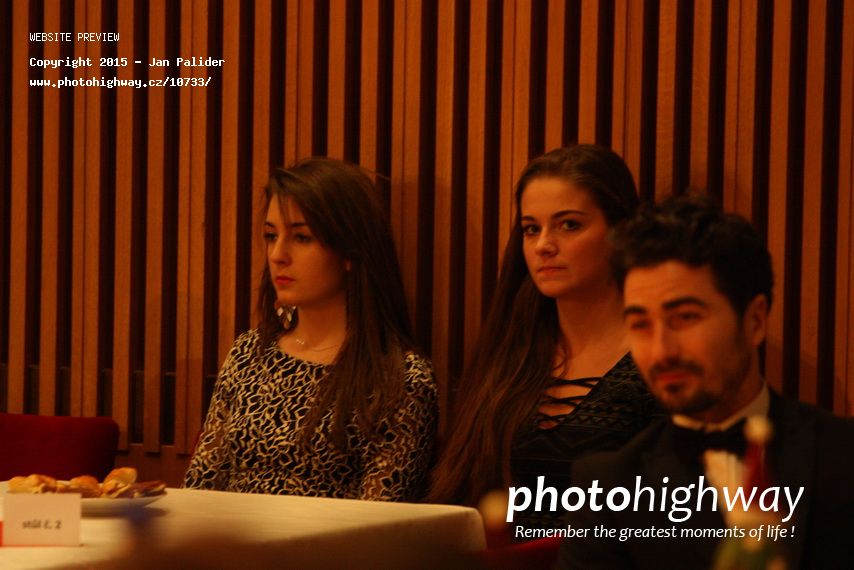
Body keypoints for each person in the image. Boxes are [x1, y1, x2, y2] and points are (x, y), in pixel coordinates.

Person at [557, 195, 854, 569]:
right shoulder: (610, 486)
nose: (661, 351)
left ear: (755, 321)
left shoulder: (843, 455)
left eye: (685, 317)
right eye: (640, 324)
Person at [429, 145, 660, 530]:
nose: (543, 246)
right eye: (531, 229)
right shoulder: (512, 352)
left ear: (621, 232)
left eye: (569, 225)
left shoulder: (658, 360)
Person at [184, 157, 437, 501]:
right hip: (224, 533)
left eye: (301, 237)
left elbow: (382, 516)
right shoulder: (249, 353)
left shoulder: (400, 378)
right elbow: (199, 485)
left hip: (333, 537)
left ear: (349, 252)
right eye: (271, 236)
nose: (278, 254)